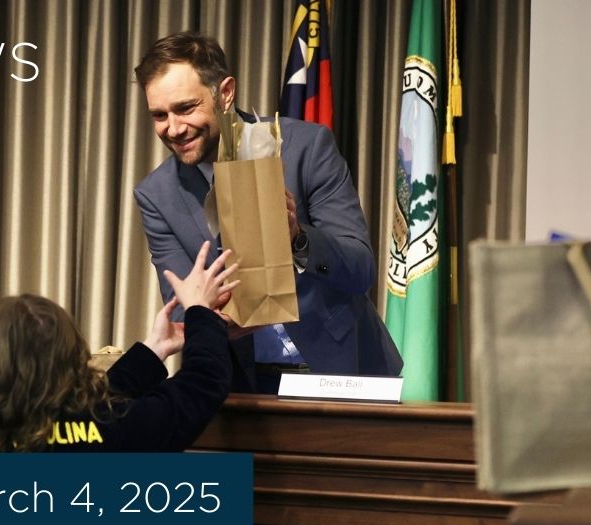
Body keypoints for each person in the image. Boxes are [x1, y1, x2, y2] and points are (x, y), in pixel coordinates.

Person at [0, 242, 238, 525]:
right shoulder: (116, 426)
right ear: (73, 353)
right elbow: (203, 384)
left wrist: (152, 351)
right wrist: (201, 313)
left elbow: (85, 418)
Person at [132, 31, 402, 393]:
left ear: (225, 92)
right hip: (242, 386)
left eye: (185, 108)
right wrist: (216, 314)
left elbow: (359, 271)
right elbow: (184, 312)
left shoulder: (308, 148)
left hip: (339, 373)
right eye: (159, 115)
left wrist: (298, 238)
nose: (174, 128)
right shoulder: (157, 195)